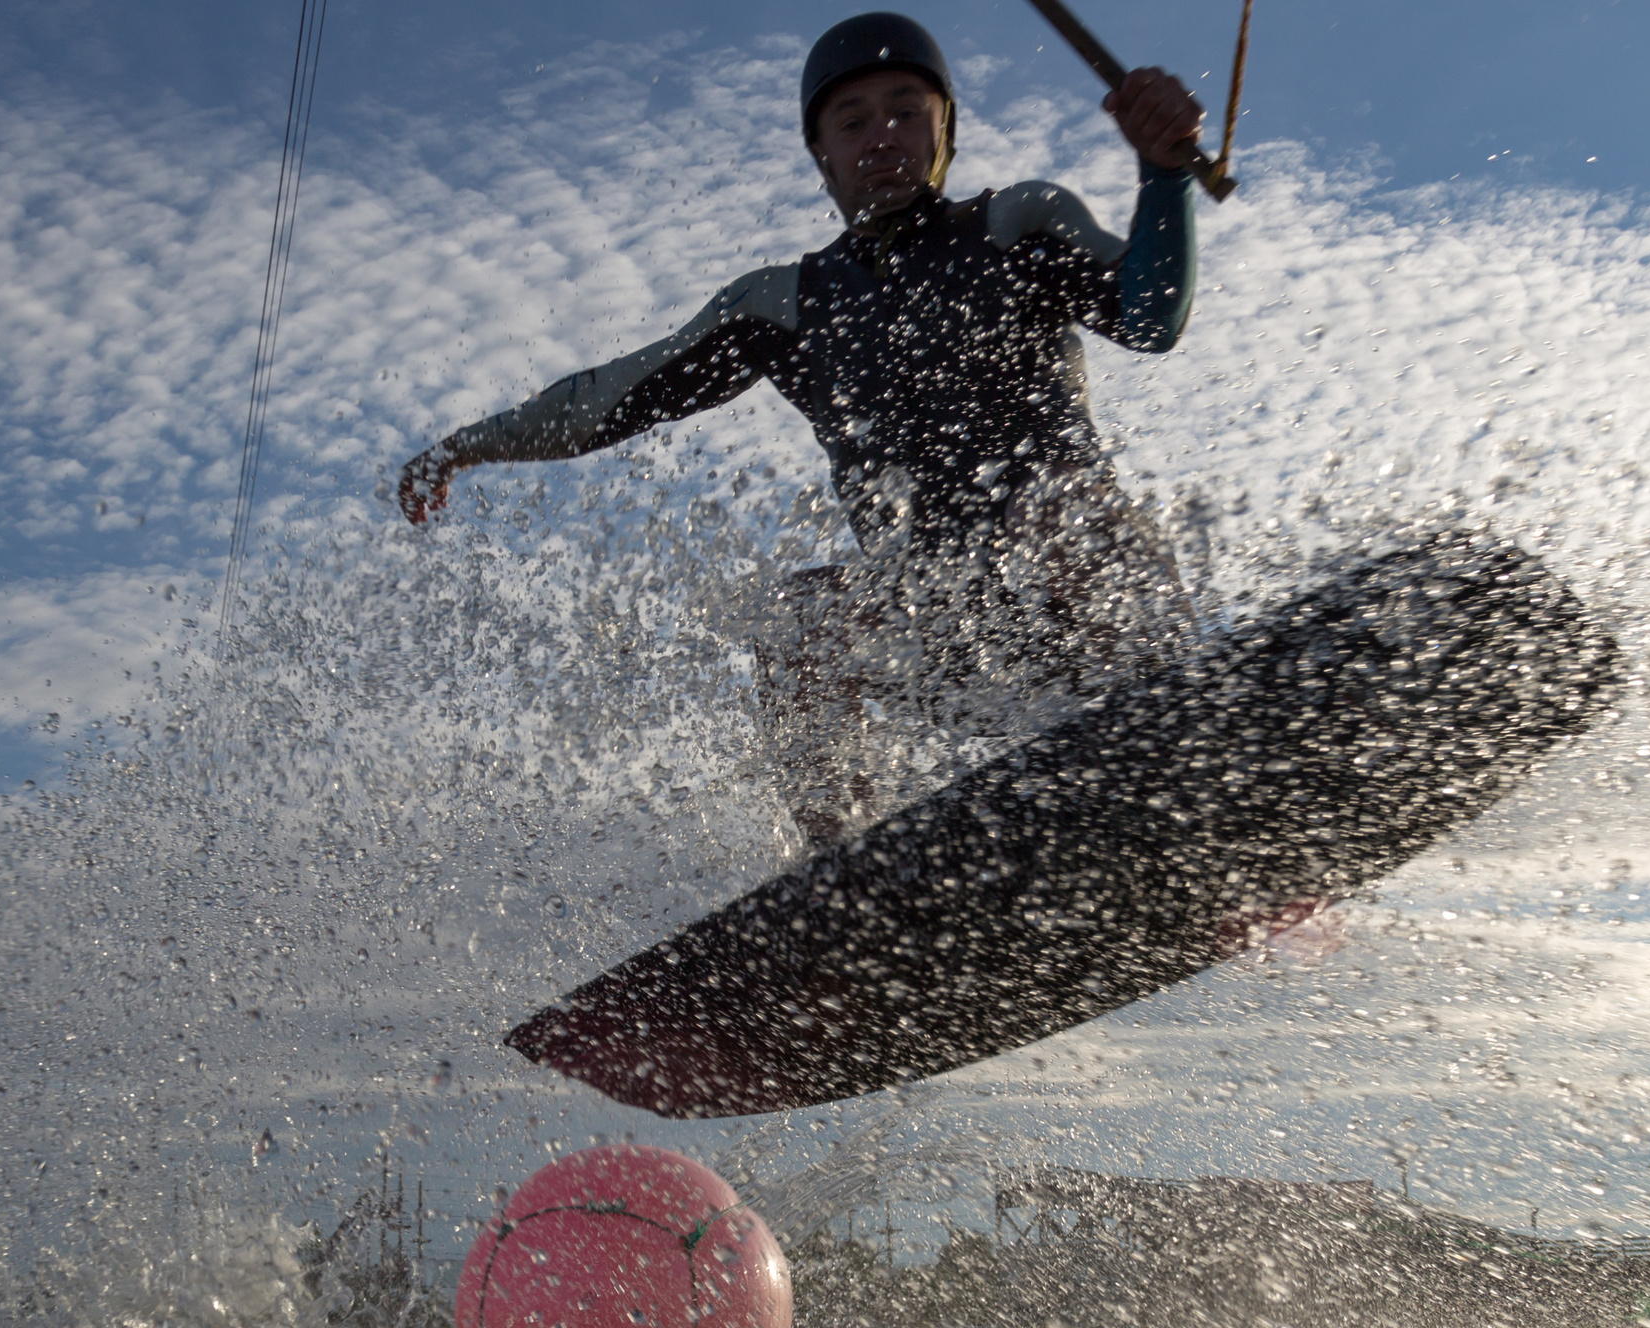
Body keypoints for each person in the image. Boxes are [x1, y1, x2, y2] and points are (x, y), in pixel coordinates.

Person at [398, 12, 1211, 843]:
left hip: (1098, 609)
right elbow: (612, 395)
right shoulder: (786, 306)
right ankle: (845, 880)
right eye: (852, 123)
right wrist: (470, 446)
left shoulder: (1018, 224)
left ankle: (1195, 772)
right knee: (804, 615)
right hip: (952, 641)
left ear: (945, 133)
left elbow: (1149, 317)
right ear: (823, 157)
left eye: (905, 112)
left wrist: (1163, 172)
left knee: (1061, 510)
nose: (882, 136)